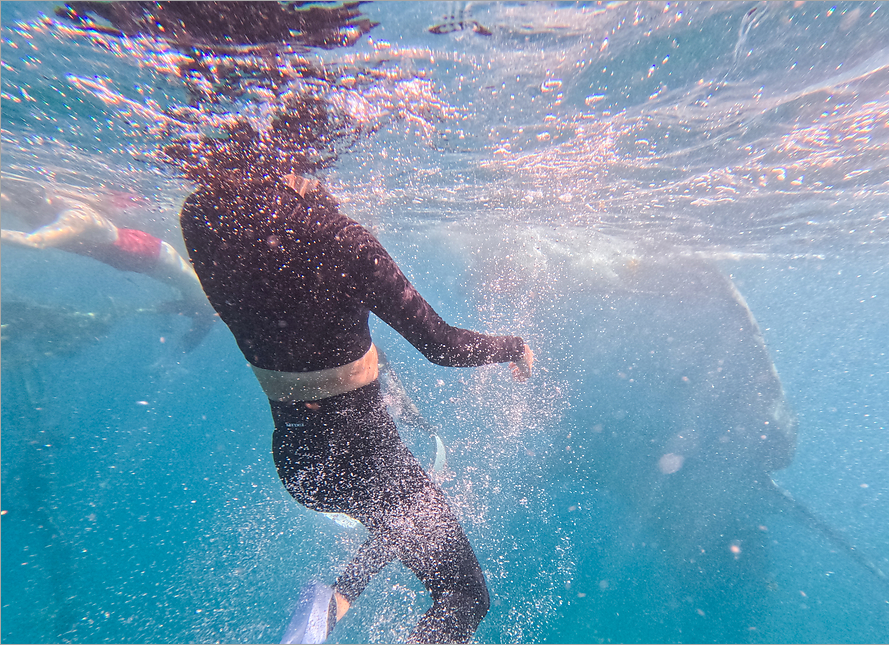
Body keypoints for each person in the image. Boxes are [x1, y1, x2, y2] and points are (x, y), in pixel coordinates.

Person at [168, 120, 533, 644]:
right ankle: (329, 604)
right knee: (463, 595)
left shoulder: (202, 220)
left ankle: (328, 606)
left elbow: (281, 299)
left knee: (395, 521)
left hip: (296, 461)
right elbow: (444, 347)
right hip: (363, 455)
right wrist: (512, 346)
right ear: (296, 158)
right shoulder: (344, 242)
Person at [1, 176, 214, 349]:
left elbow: (35, 242)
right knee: (194, 295)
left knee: (200, 294)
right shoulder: (35, 204)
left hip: (148, 253)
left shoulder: (76, 216)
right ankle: (196, 317)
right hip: (132, 254)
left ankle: (200, 324)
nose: (13, 208)